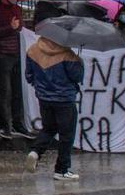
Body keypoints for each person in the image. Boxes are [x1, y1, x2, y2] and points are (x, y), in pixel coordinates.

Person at [24, 36, 84, 181]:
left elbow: (29, 76)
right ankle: (61, 169)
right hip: (64, 100)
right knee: (66, 135)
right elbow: (77, 77)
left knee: (48, 128)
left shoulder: (33, 50)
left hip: (44, 98)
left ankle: (35, 152)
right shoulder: (68, 55)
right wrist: (79, 62)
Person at [0, 0, 31, 139]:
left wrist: (17, 27)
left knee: (18, 91)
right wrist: (9, 28)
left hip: (17, 54)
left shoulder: (17, 9)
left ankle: (18, 123)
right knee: (5, 91)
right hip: (3, 55)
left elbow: (20, 28)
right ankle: (5, 126)